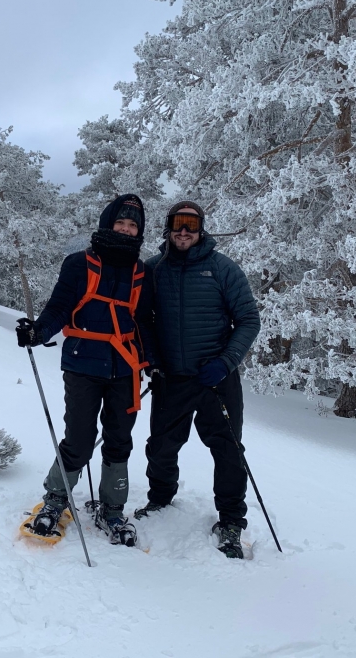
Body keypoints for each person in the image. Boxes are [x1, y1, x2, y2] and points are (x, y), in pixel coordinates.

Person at [16, 193, 155, 548]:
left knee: (119, 439)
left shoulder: (141, 272)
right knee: (78, 438)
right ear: (108, 225)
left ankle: (112, 509)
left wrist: (153, 361)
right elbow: (60, 307)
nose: (125, 230)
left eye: (132, 225)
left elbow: (144, 322)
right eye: (120, 223)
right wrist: (38, 332)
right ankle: (56, 499)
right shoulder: (78, 264)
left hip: (125, 367)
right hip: (82, 362)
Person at [134, 201, 260, 559]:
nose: (184, 230)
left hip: (216, 378)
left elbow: (249, 320)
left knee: (228, 450)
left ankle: (232, 520)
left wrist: (226, 362)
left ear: (201, 228)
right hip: (172, 376)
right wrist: (153, 361)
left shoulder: (223, 269)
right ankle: (160, 499)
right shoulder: (154, 270)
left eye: (191, 224)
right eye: (178, 223)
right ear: (168, 228)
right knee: (161, 445)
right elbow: (143, 320)